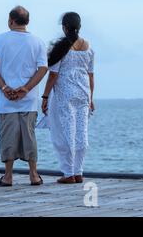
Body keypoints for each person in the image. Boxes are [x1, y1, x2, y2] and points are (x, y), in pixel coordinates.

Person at [0, 5, 48, 187]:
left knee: (7, 137)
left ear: (10, 20)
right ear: (27, 22)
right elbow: (43, 68)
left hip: (5, 101)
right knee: (29, 137)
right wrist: (26, 89)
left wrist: (5, 88)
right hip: (28, 100)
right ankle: (34, 175)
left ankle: (8, 176)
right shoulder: (38, 42)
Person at [41, 12, 95, 184]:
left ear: (64, 27)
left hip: (65, 95)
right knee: (81, 133)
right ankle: (78, 172)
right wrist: (91, 98)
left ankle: (68, 173)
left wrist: (44, 96)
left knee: (64, 133)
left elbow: (53, 76)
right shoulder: (88, 47)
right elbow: (91, 75)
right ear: (79, 27)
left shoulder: (62, 48)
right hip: (83, 94)